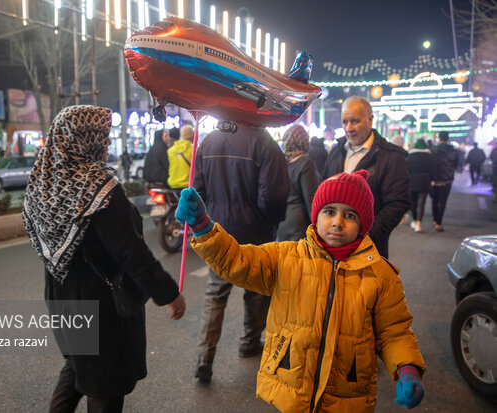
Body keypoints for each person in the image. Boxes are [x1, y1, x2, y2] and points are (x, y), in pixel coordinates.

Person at [176, 170, 426, 412]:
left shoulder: (380, 274)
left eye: (350, 215)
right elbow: (237, 261)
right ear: (316, 216)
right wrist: (203, 225)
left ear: (363, 223)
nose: (338, 223)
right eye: (330, 212)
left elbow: (394, 332)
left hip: (347, 394)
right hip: (291, 385)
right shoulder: (286, 257)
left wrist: (407, 368)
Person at [22, 105, 186, 413]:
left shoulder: (41, 183)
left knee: (76, 367)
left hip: (60, 295)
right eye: (103, 137)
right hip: (100, 302)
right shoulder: (99, 188)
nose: (108, 144)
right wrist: (168, 294)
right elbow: (130, 251)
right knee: (104, 386)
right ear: (85, 139)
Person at [192, 124, 290, 383]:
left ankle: (205, 356)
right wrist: (271, 221)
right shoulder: (263, 141)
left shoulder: (209, 141)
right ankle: (249, 341)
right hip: (255, 231)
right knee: (256, 291)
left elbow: (195, 189)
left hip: (217, 228)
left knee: (215, 293)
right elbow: (272, 195)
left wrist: (207, 218)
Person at [322, 96, 410, 259]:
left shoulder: (391, 157)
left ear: (370, 120)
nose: (349, 128)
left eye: (355, 121)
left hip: (369, 248)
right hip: (333, 246)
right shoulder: (336, 152)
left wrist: (364, 235)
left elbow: (397, 203)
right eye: (344, 122)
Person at [277, 125, 320, 242]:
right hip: (299, 225)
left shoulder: (280, 163)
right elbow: (312, 201)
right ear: (303, 142)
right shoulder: (306, 164)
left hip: (282, 223)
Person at [431, 131, 458, 232]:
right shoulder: (453, 151)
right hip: (447, 179)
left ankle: (434, 218)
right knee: (443, 201)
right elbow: (456, 164)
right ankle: (438, 222)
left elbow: (431, 163)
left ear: (439, 138)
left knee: (434, 199)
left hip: (435, 179)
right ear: (448, 138)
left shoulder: (434, 149)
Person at [407, 139, 434, 233]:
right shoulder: (429, 156)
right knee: (421, 203)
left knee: (413, 203)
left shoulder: (410, 156)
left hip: (412, 181)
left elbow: (407, 169)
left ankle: (414, 220)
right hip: (425, 181)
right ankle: (419, 223)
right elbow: (432, 169)